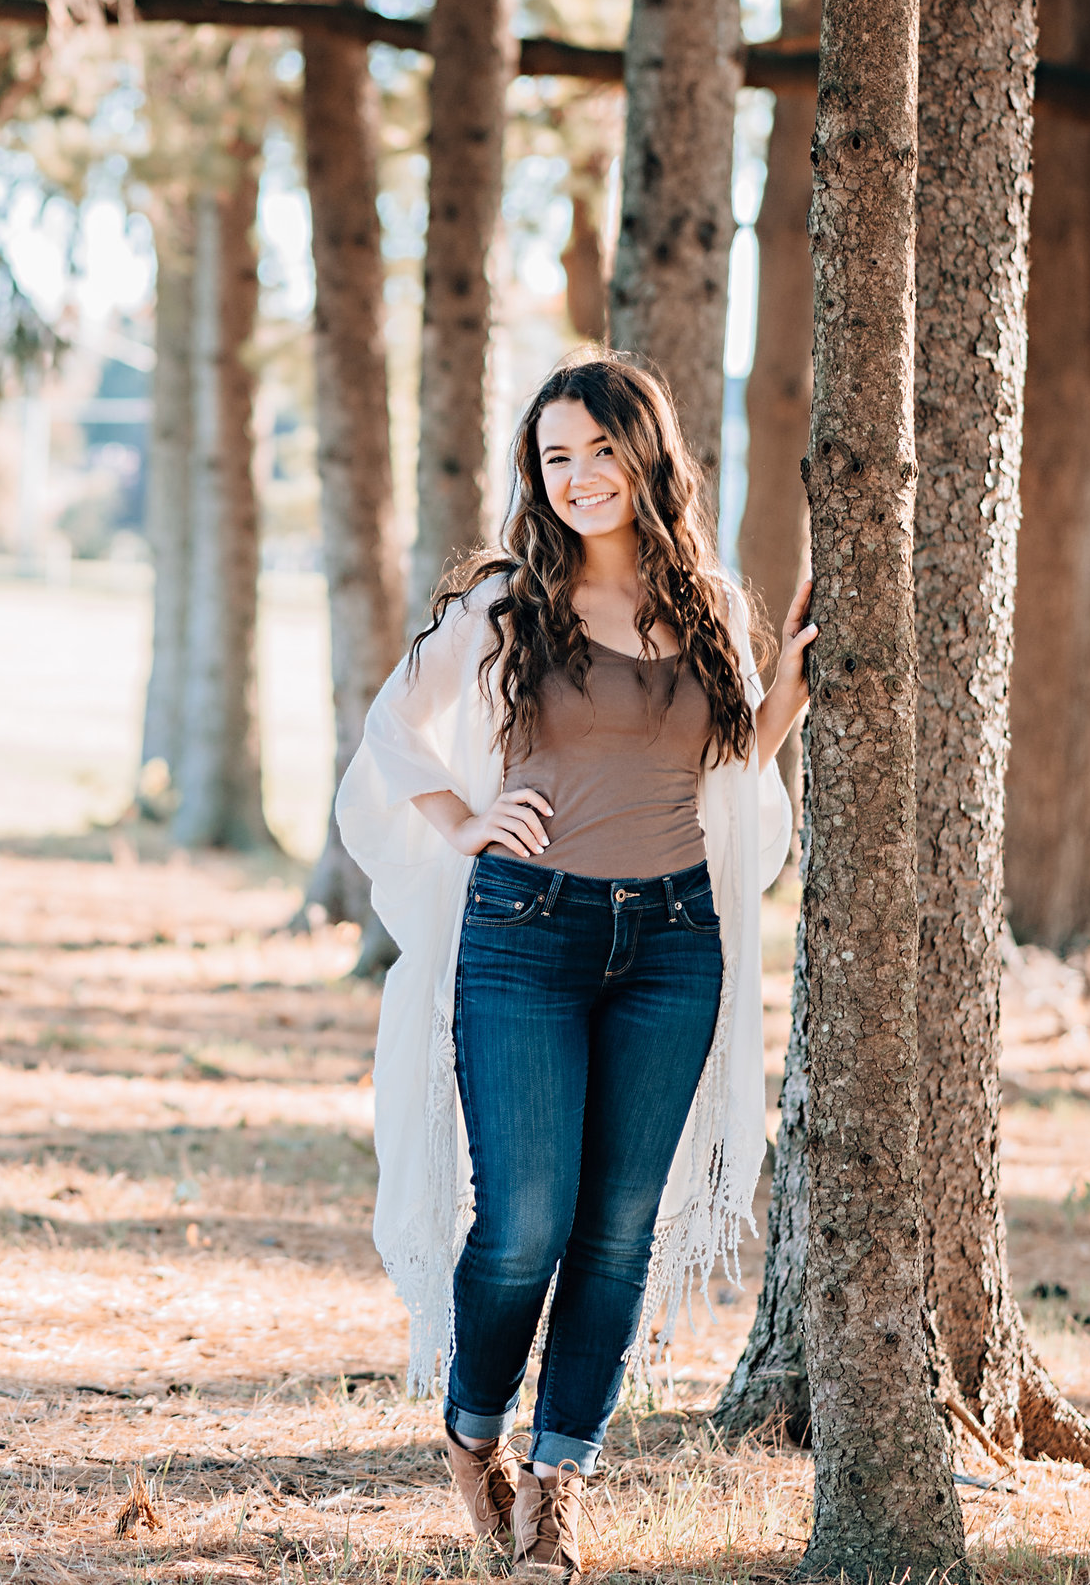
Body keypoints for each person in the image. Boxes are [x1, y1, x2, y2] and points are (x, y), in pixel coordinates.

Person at [335, 351, 809, 1575]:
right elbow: (395, 730)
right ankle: (470, 1431)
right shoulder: (507, 598)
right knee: (524, 1221)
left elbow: (722, 771)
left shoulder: (700, 594)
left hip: (670, 944)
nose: (581, 475)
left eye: (602, 449)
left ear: (646, 455)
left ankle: (559, 1480)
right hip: (525, 935)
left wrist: (790, 700)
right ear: (535, 476)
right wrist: (462, 818)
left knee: (616, 1235)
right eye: (557, 457)